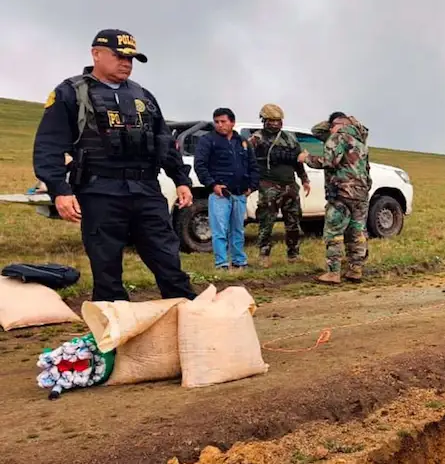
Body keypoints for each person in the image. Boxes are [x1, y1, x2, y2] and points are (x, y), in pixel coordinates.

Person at [32, 28, 197, 303]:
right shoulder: (71, 93)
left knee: (167, 258)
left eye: (131, 58)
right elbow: (48, 147)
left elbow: (164, 141)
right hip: (100, 191)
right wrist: (59, 189)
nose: (126, 63)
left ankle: (189, 321)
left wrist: (181, 179)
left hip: (145, 189)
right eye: (119, 56)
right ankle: (113, 334)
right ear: (96, 54)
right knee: (107, 267)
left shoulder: (142, 95)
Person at [301, 112, 371, 284]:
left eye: (331, 126)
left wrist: (307, 158)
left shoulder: (337, 138)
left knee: (334, 232)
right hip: (360, 194)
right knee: (357, 232)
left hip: (341, 193)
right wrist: (349, 122)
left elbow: (328, 161)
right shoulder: (360, 141)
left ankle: (333, 273)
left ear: (335, 125)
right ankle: (356, 269)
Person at [193, 108, 260, 270]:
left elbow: (253, 165)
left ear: (232, 122)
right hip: (220, 194)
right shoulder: (208, 140)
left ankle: (239, 261)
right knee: (219, 231)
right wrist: (213, 185)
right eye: (216, 122)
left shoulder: (242, 142)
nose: (220, 125)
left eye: (223, 121)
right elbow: (200, 165)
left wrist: (252, 186)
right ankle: (221, 263)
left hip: (240, 193)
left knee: (237, 230)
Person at [248, 103, 311, 268]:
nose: (275, 124)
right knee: (266, 222)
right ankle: (264, 255)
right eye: (271, 120)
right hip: (269, 185)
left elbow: (298, 160)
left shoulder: (289, 138)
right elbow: (248, 160)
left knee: (293, 221)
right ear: (264, 120)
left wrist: (304, 179)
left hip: (290, 185)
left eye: (277, 120)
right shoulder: (257, 139)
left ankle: (293, 254)